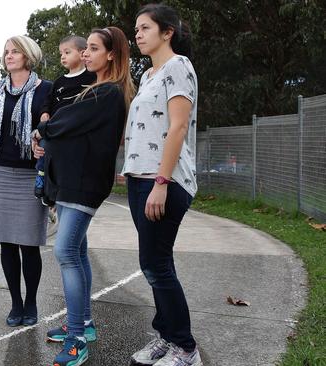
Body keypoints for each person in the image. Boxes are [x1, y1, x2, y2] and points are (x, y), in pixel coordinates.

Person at [33, 26, 135, 366]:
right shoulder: (97, 89)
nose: (86, 54)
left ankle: (77, 338)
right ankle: (84, 323)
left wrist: (43, 130)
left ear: (111, 55)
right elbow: (65, 122)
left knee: (64, 251)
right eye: (86, 48)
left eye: (93, 48)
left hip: (84, 183)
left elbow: (63, 122)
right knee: (76, 250)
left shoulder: (106, 94)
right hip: (72, 181)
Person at [121, 4, 202, 366]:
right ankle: (166, 337)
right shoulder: (150, 74)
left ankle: (185, 348)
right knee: (152, 262)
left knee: (156, 264)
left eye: (145, 28)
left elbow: (178, 127)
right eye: (135, 29)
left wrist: (161, 181)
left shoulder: (178, 66)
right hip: (142, 181)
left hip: (164, 181)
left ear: (167, 32)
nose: (137, 34)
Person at [0, 35, 52, 327]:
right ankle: (15, 303)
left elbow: (51, 128)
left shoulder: (46, 90)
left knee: (29, 245)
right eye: (6, 51)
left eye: (15, 51)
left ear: (28, 55)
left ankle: (31, 302)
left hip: (30, 176)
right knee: (7, 244)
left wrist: (39, 138)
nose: (8, 56)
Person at [34, 35, 96, 206]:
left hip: (74, 133)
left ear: (83, 53)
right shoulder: (59, 81)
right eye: (61, 53)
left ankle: (55, 190)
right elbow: (47, 102)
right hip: (54, 130)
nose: (62, 56)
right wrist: (45, 113)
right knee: (44, 152)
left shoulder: (92, 78)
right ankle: (42, 183)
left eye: (67, 52)